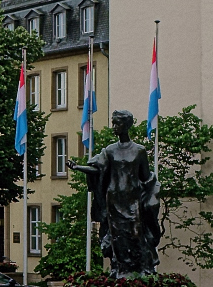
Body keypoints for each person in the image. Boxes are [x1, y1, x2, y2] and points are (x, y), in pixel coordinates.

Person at [67, 109, 161, 278]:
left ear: (127, 125)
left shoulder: (139, 151)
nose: (114, 127)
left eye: (117, 123)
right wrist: (77, 167)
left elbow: (146, 178)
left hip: (132, 201)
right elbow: (97, 169)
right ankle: (119, 270)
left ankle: (142, 270)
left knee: (136, 235)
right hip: (114, 200)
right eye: (113, 123)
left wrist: (151, 199)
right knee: (117, 237)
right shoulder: (109, 151)